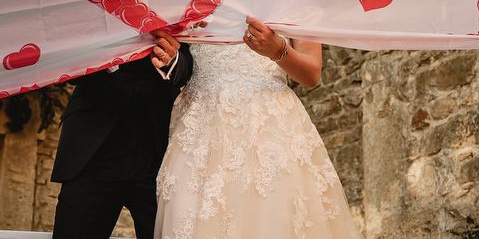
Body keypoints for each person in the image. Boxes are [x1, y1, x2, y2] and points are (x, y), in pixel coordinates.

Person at [155, 16, 359, 238]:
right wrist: (172, 57)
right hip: (199, 136)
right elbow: (184, 61)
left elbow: (312, 74)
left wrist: (278, 50)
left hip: (268, 130)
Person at [51, 29, 192, 239]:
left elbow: (190, 65)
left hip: (159, 147)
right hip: (92, 147)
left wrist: (172, 60)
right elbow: (64, 59)